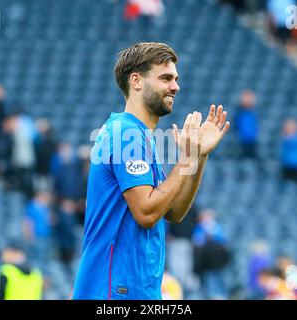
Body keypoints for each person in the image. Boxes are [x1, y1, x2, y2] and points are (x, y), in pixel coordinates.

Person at [72, 42, 230, 300]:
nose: (176, 86)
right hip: (113, 291)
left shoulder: (141, 137)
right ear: (136, 81)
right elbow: (146, 212)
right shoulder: (126, 133)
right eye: (166, 78)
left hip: (134, 290)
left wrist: (198, 156)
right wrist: (186, 157)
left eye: (176, 79)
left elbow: (175, 212)